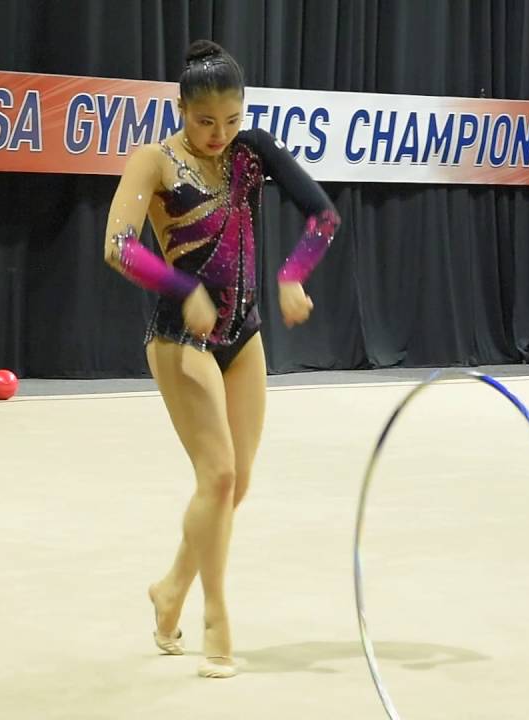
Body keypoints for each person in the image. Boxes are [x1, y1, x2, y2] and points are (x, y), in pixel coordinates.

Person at [101, 39, 341, 678]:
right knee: (218, 476)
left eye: (232, 120)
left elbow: (322, 216)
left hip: (245, 334)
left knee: (237, 484)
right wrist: (184, 289)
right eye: (206, 122)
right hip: (181, 335)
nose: (220, 134)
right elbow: (118, 246)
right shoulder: (154, 160)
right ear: (182, 109)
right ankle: (215, 621)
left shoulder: (252, 152)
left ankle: (170, 588)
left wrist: (293, 275)